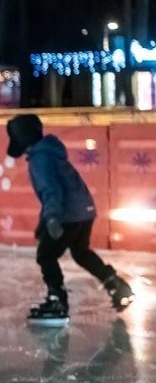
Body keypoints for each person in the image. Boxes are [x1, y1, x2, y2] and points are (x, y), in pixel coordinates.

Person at [7, 114, 134, 324]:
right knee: (81, 253)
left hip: (68, 214)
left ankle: (57, 300)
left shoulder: (40, 158)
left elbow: (52, 190)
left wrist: (53, 219)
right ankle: (117, 286)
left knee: (46, 255)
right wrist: (46, 220)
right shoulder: (49, 151)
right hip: (84, 210)